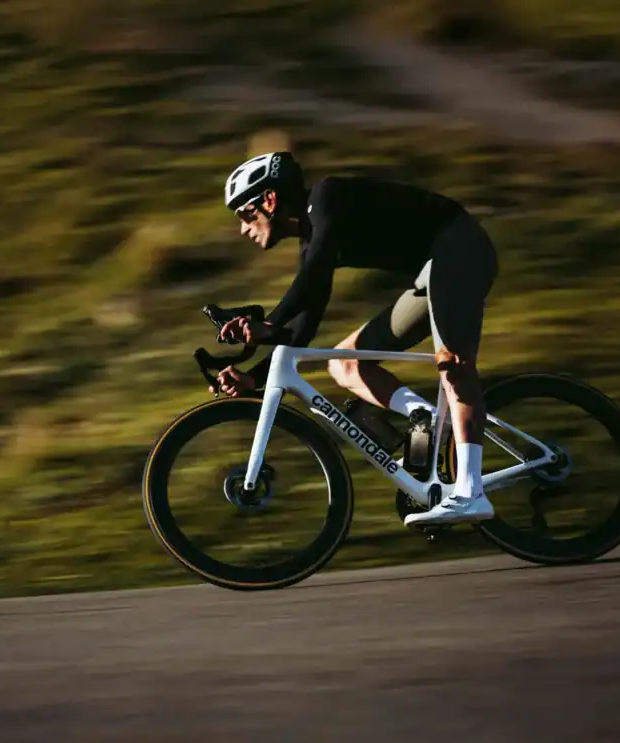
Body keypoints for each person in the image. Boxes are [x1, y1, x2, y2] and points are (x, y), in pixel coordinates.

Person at [213, 151, 498, 527]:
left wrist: (268, 321)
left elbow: (311, 280)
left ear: (269, 200)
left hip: (459, 248)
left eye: (245, 214)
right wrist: (256, 376)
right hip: (430, 274)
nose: (243, 228)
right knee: (344, 362)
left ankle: (471, 492)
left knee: (453, 366)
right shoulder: (312, 241)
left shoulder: (327, 200)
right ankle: (424, 419)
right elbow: (306, 323)